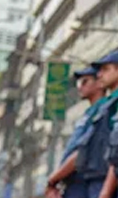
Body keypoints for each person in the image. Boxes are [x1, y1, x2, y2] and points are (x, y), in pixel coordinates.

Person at [46, 67, 107, 198]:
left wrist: (53, 179)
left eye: (85, 82)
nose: (80, 87)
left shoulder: (102, 110)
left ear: (99, 83)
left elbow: (82, 152)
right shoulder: (89, 112)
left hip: (84, 182)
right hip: (72, 183)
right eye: (78, 83)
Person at [93, 50, 118, 198]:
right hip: (102, 178)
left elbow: (117, 149)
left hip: (114, 180)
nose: (99, 75)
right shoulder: (108, 104)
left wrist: (105, 191)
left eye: (105, 69)